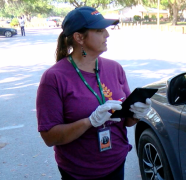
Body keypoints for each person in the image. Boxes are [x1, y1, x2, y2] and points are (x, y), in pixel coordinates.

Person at [36, 6, 152, 180]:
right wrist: (90, 121)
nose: (107, 34)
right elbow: (49, 137)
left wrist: (136, 114)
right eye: (99, 30)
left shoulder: (115, 68)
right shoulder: (54, 78)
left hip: (116, 162)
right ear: (79, 38)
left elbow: (126, 121)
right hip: (78, 171)